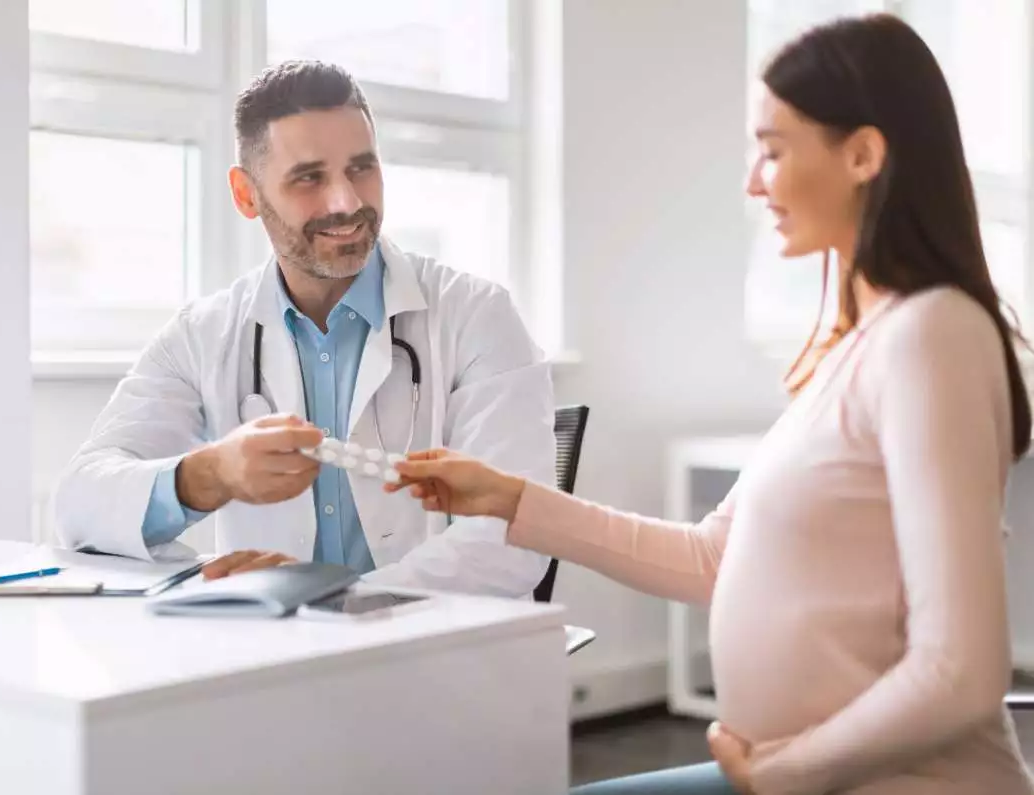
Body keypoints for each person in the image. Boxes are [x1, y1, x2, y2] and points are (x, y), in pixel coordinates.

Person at [389, 14, 1034, 794]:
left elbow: (962, 669)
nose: (753, 180)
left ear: (863, 153)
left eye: (773, 149)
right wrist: (510, 498)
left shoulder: (933, 331)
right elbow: (712, 558)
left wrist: (783, 773)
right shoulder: (851, 351)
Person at [53, 60, 555, 597]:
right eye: (309, 178)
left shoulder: (476, 315)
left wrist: (335, 600)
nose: (346, 202)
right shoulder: (205, 335)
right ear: (247, 195)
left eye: (362, 168)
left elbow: (514, 537)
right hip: (279, 656)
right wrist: (210, 474)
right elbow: (79, 504)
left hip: (434, 650)